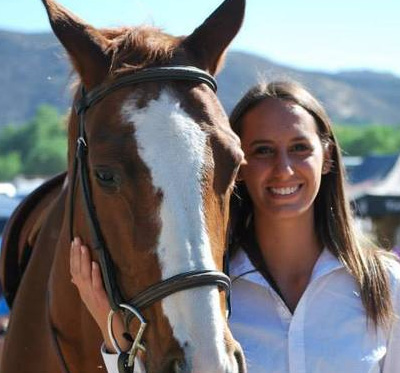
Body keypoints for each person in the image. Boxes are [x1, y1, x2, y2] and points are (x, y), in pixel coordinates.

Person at [70, 81, 400, 372]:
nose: (283, 169)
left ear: (326, 157)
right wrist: (113, 334)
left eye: (299, 148)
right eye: (262, 151)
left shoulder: (387, 286)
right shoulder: (204, 296)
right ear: (236, 166)